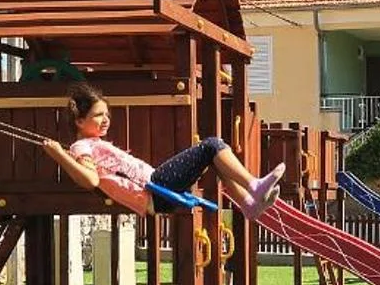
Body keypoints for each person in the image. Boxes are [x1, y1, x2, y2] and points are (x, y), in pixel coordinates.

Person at [49, 83, 284, 214]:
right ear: (79, 121)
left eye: (107, 114)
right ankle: (253, 185)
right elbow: (90, 180)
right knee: (212, 145)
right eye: (98, 115)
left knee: (214, 158)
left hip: (156, 190)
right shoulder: (81, 146)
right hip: (154, 189)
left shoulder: (94, 144)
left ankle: (248, 204)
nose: (106, 119)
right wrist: (60, 155)